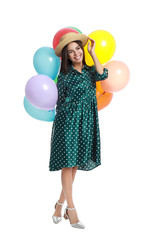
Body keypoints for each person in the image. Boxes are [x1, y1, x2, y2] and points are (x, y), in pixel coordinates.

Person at [49, 32, 108, 229]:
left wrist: (92, 52)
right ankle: (72, 210)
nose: (76, 53)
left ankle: (59, 205)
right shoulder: (64, 75)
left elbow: (103, 74)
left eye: (78, 49)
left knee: (74, 166)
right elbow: (58, 101)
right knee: (68, 164)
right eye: (71, 51)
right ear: (66, 57)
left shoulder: (91, 71)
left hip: (86, 122)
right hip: (67, 122)